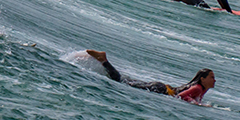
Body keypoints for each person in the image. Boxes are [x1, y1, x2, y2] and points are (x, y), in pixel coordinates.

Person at [85, 50, 214, 105]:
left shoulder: (201, 89)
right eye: (212, 77)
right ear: (202, 79)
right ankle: (103, 60)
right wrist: (196, 104)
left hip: (160, 87)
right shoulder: (197, 88)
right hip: (160, 89)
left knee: (125, 81)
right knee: (121, 82)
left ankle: (104, 64)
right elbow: (181, 96)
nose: (214, 80)